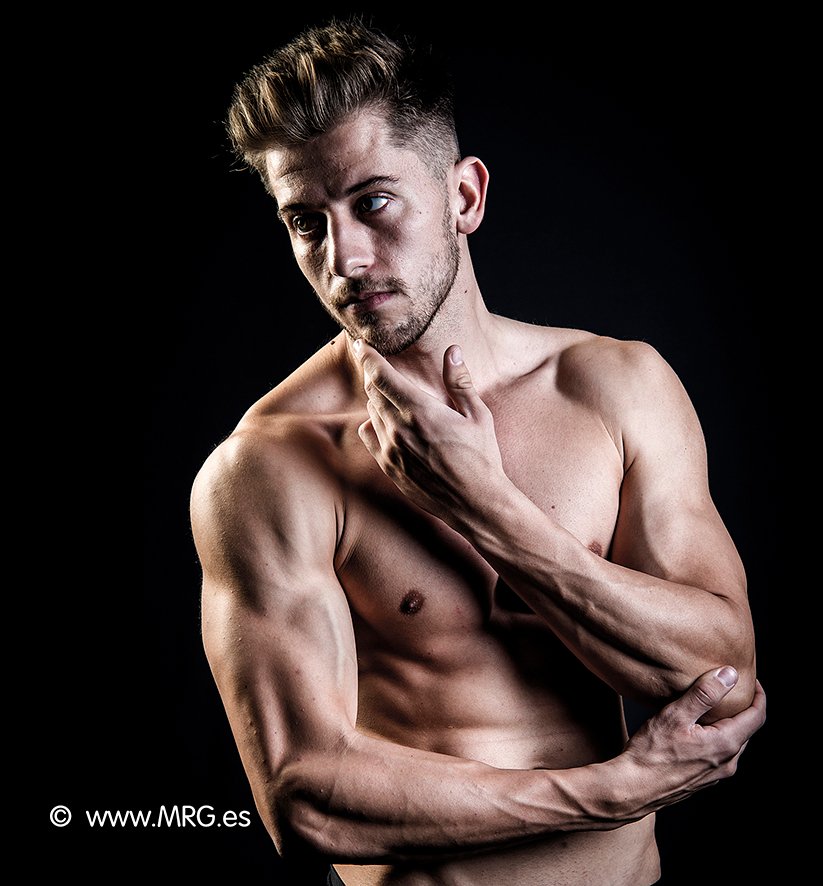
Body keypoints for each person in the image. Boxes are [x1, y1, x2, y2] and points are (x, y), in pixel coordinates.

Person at [190, 17, 766, 886]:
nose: (343, 259)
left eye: (372, 202)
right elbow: (305, 799)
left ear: (463, 197)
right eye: (305, 221)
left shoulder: (617, 388)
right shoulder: (267, 468)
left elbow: (724, 678)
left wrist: (487, 508)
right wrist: (610, 792)